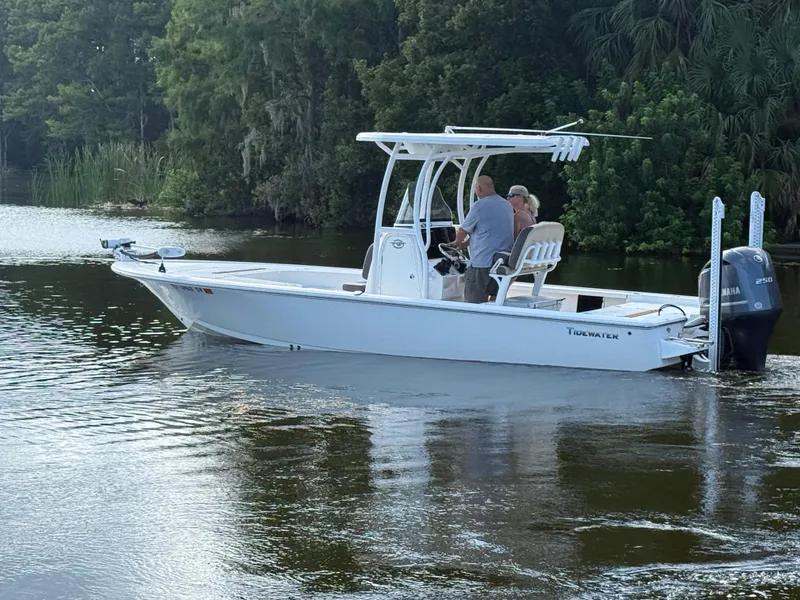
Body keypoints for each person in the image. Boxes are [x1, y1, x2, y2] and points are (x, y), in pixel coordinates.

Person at [455, 175, 514, 303]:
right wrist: (466, 243)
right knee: (493, 301)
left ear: (479, 188)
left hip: (482, 264)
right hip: (500, 262)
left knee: (473, 303)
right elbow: (489, 231)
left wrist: (458, 243)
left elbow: (462, 231)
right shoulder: (507, 205)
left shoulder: (479, 206)